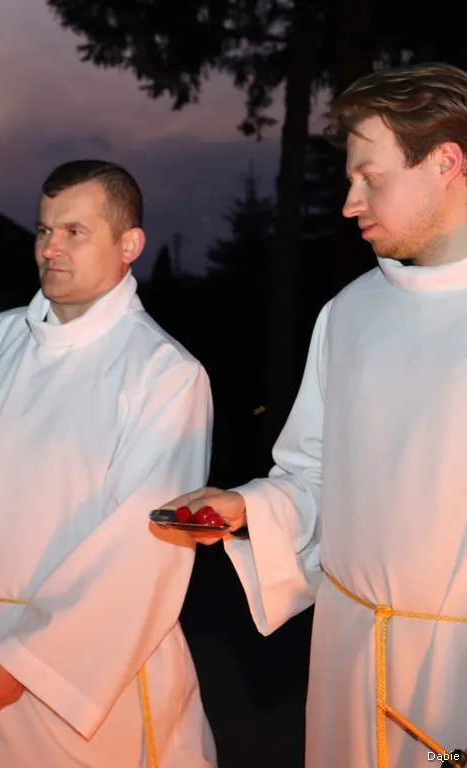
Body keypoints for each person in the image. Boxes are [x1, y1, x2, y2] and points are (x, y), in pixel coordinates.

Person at [158, 62, 467, 768]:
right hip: (350, 660)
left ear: (446, 162)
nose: (350, 203)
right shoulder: (350, 313)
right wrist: (249, 508)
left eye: (370, 178)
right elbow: (314, 475)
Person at [0, 160, 217, 768]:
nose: (50, 247)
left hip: (85, 673)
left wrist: (28, 663)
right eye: (44, 230)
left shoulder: (164, 373)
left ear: (130, 245)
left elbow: (146, 548)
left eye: (74, 231)